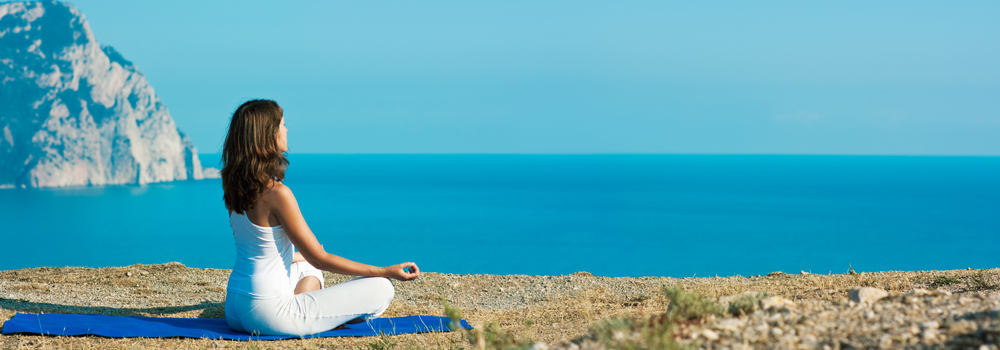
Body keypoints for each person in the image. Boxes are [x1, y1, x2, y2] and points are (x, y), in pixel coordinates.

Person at [221, 99, 420, 336]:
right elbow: (321, 259)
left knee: (305, 265)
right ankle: (323, 318)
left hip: (235, 308)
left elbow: (262, 250)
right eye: (282, 125)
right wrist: (384, 271)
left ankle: (310, 311)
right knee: (382, 288)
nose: (286, 130)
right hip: (267, 314)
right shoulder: (278, 193)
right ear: (267, 135)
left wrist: (303, 257)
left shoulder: (235, 185)